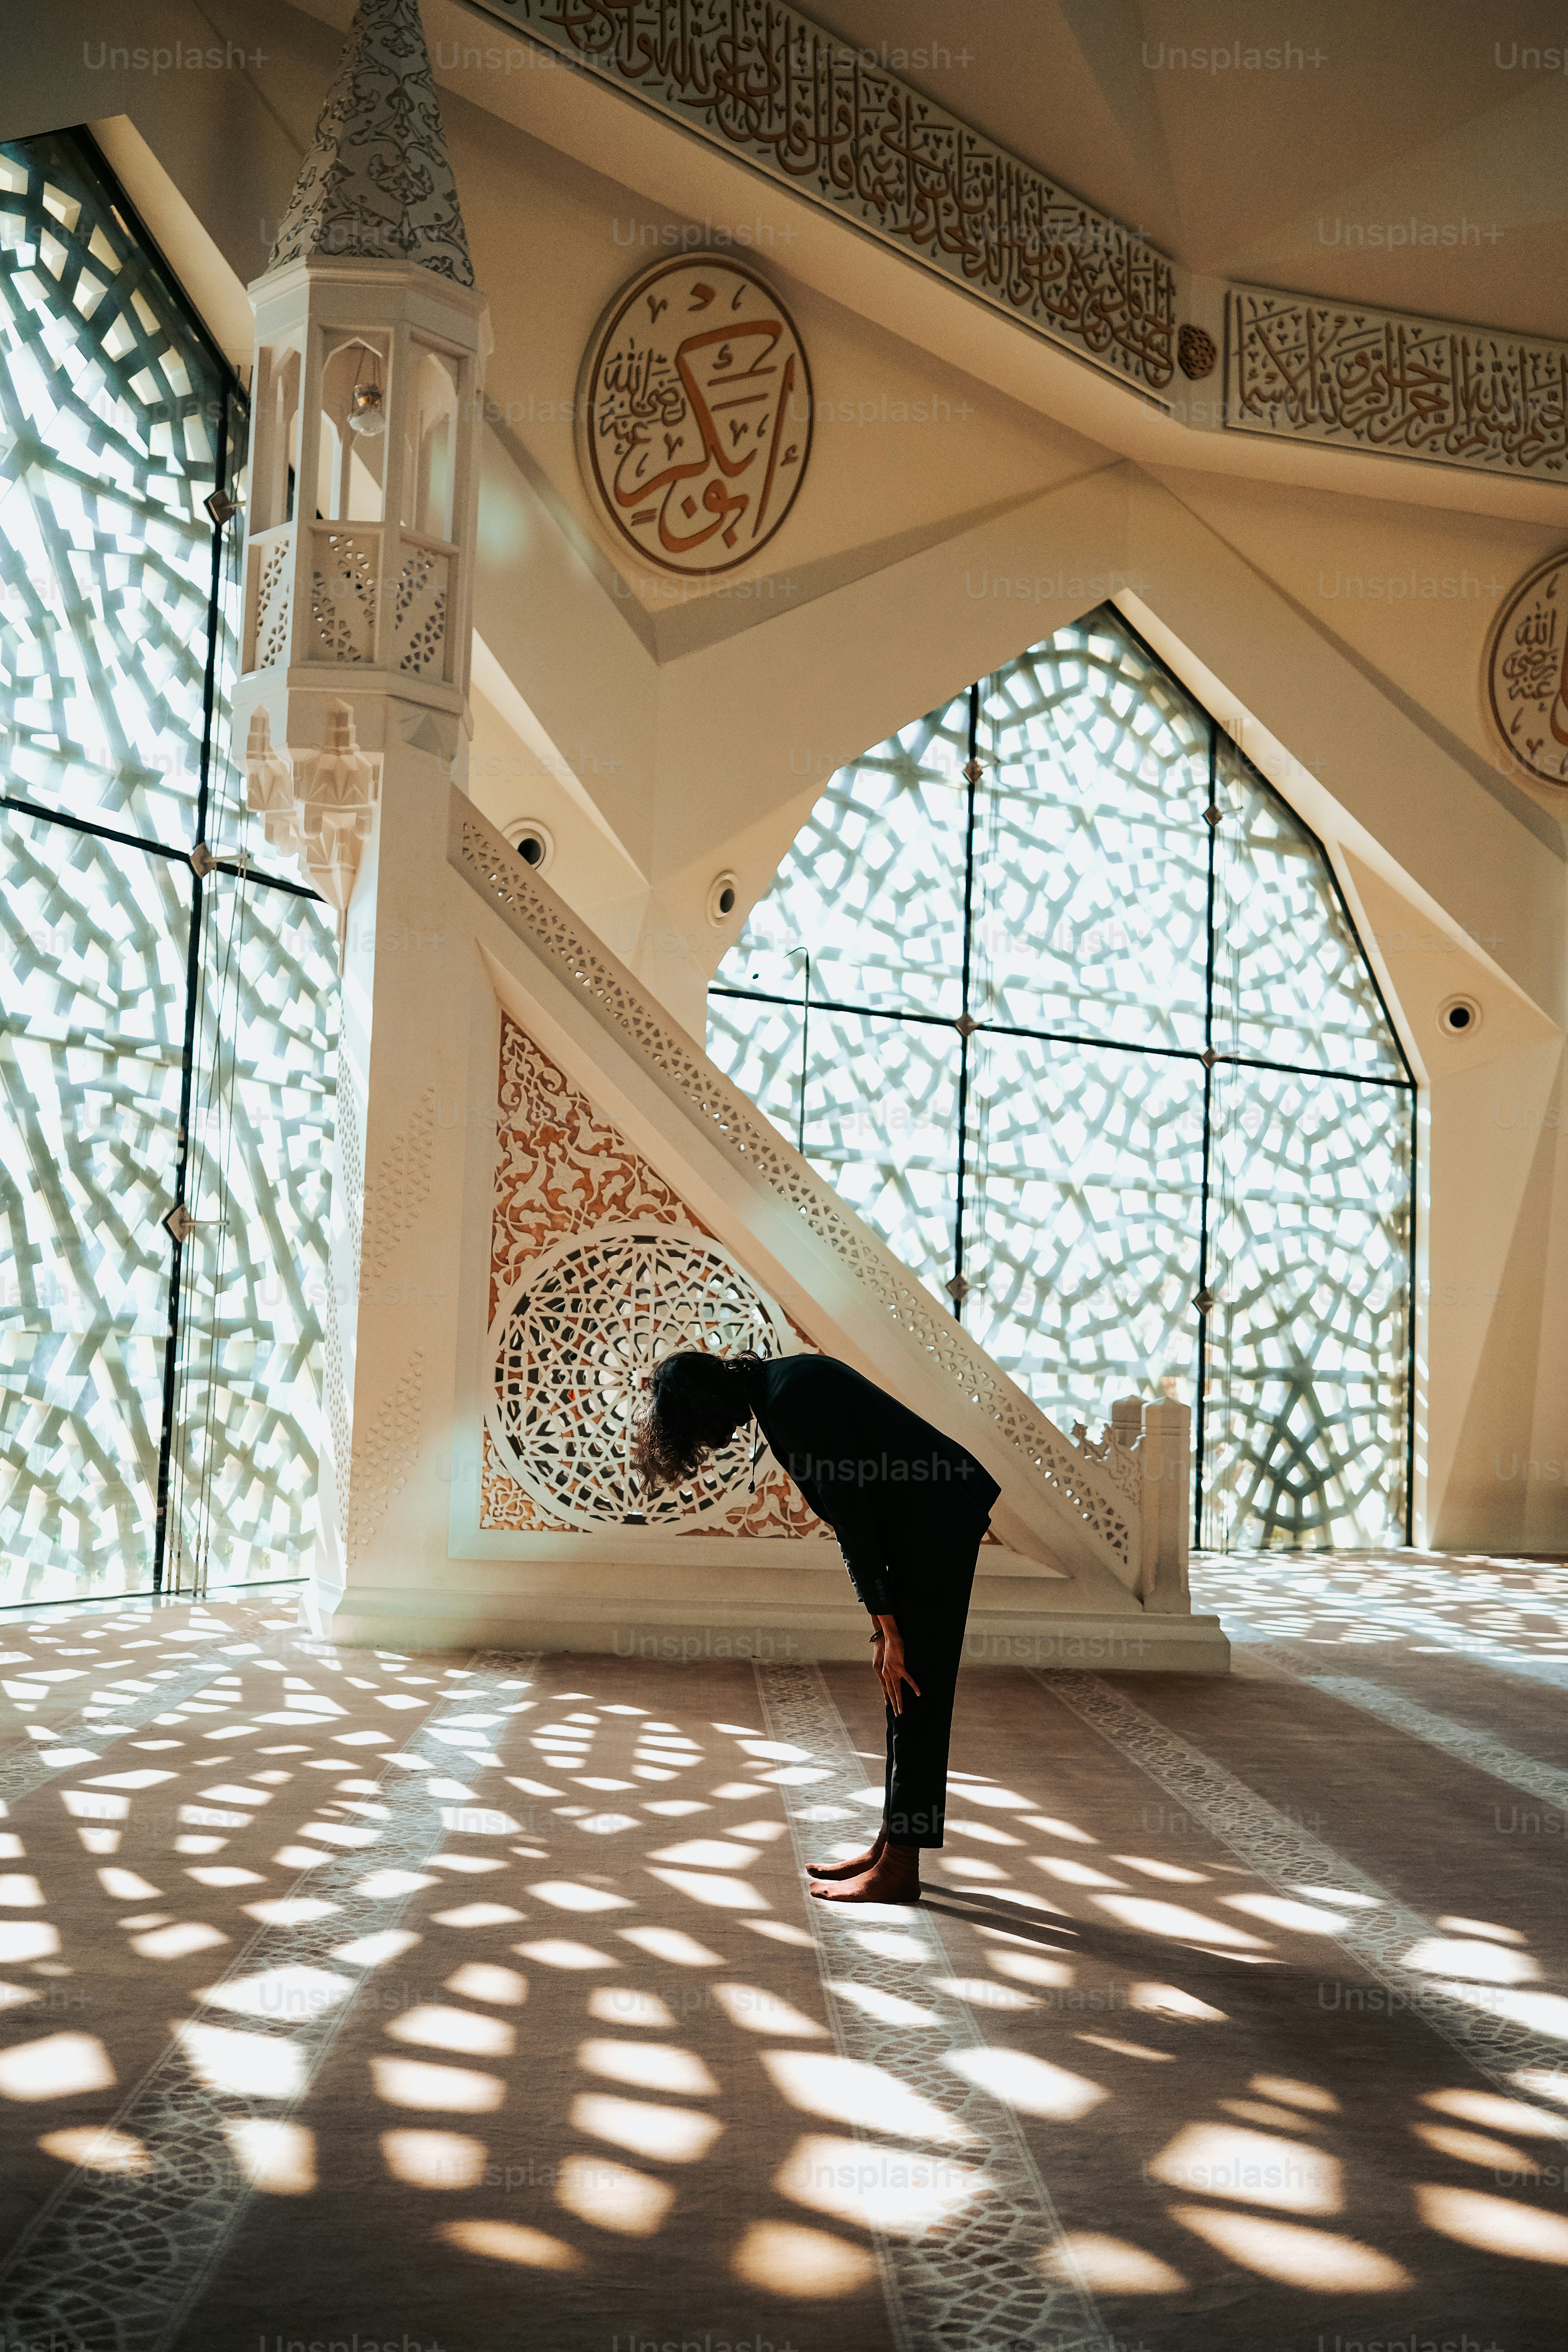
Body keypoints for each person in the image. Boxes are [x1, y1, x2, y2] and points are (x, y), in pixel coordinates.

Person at [631, 1349, 1000, 1905]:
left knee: (916, 1689)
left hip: (935, 1519)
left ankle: (901, 1868)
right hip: (920, 1518)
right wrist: (883, 1625)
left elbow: (849, 1509)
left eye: (697, 1431)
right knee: (900, 1685)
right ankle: (891, 1843)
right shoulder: (780, 1385)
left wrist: (888, 1628)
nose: (707, 1444)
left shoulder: (792, 1397)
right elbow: (854, 1504)